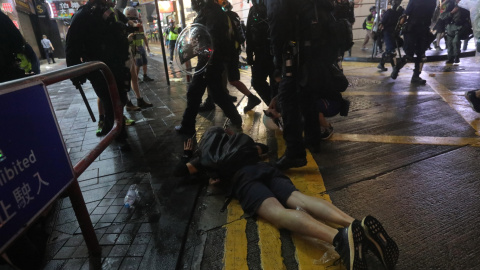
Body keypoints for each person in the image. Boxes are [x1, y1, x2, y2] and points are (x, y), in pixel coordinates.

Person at [175, 127, 400, 270]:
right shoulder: (236, 143)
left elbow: (179, 173)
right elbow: (262, 149)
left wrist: (189, 155)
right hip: (265, 169)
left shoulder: (205, 156)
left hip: (244, 181)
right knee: (299, 199)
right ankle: (354, 224)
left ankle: (340, 239)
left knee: (279, 214)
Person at [66, 0, 132, 146]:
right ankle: (119, 134)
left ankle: (113, 127)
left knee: (119, 99)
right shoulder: (83, 15)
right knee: (109, 101)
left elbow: (125, 26)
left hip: (117, 65)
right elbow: (72, 46)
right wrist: (76, 74)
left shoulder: (112, 12)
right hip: (98, 69)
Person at [174, 0, 243, 136]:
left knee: (195, 92)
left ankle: (187, 126)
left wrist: (208, 57)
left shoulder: (213, 12)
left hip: (210, 60)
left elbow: (212, 37)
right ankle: (236, 119)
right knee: (217, 93)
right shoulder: (209, 11)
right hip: (209, 59)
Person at [390, 0, 437, 84]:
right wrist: (397, 30)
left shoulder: (433, 1)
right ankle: (397, 68)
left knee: (421, 55)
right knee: (409, 55)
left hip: (424, 30)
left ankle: (416, 76)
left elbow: (433, 17)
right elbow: (405, 15)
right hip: (412, 29)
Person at [123, 7, 154, 108]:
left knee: (134, 77)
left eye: (135, 19)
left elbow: (140, 36)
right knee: (125, 79)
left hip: (133, 51)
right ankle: (127, 102)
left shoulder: (132, 26)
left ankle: (139, 99)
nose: (134, 22)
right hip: (125, 54)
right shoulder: (122, 26)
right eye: (131, 19)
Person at [377, 0, 404, 72]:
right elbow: (381, 23)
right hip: (387, 33)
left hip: (395, 33)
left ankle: (381, 64)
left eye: (398, 1)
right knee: (391, 51)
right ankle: (394, 69)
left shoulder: (401, 11)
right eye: (394, 1)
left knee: (389, 50)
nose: (396, 2)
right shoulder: (388, 12)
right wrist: (378, 33)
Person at [445, 0, 472, 65]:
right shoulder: (450, 4)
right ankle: (450, 58)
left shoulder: (465, 5)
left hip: (460, 26)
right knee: (450, 43)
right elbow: (443, 15)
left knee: (455, 41)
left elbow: (469, 16)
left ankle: (456, 56)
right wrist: (451, 12)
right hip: (450, 26)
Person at [333, 0, 355, 70]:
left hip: (339, 31)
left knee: (338, 52)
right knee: (338, 52)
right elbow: (352, 20)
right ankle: (338, 67)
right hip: (341, 31)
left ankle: (337, 66)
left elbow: (352, 20)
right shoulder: (348, 5)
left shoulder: (336, 5)